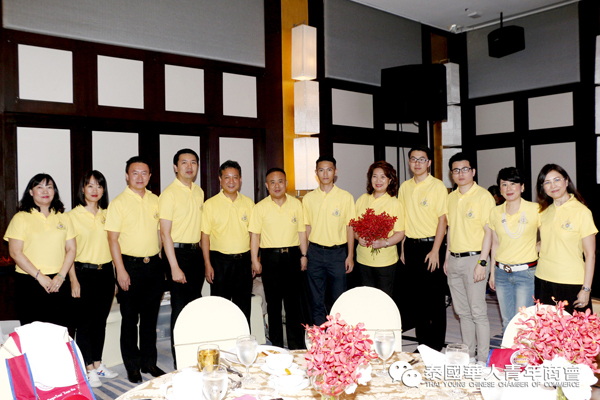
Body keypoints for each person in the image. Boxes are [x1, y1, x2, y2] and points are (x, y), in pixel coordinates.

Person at [105, 156, 165, 383]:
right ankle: (132, 366)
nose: (140, 177)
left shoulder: (156, 200)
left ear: (150, 176)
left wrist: (160, 256)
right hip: (129, 266)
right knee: (130, 319)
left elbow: (160, 232)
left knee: (150, 319)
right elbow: (112, 240)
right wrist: (120, 271)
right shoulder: (118, 203)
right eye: (135, 173)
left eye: (144, 173)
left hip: (154, 266)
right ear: (127, 176)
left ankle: (149, 362)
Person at [4, 173, 76, 328]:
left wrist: (61, 276)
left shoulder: (64, 217)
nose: (45, 191)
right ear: (31, 192)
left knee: (59, 332)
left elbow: (71, 249)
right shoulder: (21, 218)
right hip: (30, 282)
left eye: (49, 187)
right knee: (33, 334)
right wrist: (40, 277)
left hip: (58, 282)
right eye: (40, 187)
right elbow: (15, 252)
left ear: (54, 191)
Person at [67, 170, 118, 387]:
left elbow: (113, 246)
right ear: (82, 189)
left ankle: (98, 364)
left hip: (105, 273)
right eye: (90, 185)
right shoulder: (71, 216)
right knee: (85, 323)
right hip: (83, 273)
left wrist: (115, 276)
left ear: (103, 190)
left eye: (99, 185)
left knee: (100, 322)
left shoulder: (108, 214)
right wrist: (73, 280)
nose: (95, 190)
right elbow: (67, 252)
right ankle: (87, 368)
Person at [249, 168, 308, 349]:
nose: (277, 185)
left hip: (292, 256)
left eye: (280, 181)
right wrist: (254, 259)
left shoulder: (297, 204)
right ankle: (276, 347)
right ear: (267, 185)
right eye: (272, 182)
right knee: (273, 305)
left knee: (293, 304)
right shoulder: (260, 207)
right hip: (270, 258)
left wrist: (304, 255)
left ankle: (296, 347)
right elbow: (255, 236)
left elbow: (302, 232)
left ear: (286, 183)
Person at [444, 153, 494, 363]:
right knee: (462, 312)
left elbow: (489, 232)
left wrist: (483, 262)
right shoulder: (451, 197)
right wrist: (447, 257)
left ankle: (482, 360)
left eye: (465, 169)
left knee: (478, 312)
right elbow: (450, 229)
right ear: (452, 174)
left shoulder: (483, 196)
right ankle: (469, 355)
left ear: (473, 171)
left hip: (475, 259)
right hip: (454, 260)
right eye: (456, 170)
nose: (461, 174)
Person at [396, 145, 448, 351]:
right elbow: (402, 219)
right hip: (411, 246)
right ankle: (423, 345)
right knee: (416, 300)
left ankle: (436, 346)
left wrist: (435, 250)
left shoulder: (437, 186)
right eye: (413, 159)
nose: (417, 163)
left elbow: (442, 220)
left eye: (421, 159)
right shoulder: (404, 187)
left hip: (431, 246)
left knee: (435, 299)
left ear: (429, 163)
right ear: (409, 162)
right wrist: (402, 248)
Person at [159, 149, 204, 369]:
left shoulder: (199, 192)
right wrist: (174, 266)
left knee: (195, 306)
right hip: (177, 254)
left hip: (196, 253)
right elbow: (165, 234)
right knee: (179, 307)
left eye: (193, 162)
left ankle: (195, 352)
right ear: (175, 167)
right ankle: (180, 359)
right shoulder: (169, 194)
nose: (189, 166)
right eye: (184, 162)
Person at [535, 164, 597, 315]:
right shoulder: (543, 212)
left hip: (571, 282)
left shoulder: (582, 212)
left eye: (557, 180)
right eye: (547, 182)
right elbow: (544, 244)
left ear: (566, 181)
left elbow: (590, 254)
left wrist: (586, 289)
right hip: (543, 280)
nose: (553, 186)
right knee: (546, 328)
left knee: (575, 328)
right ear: (543, 187)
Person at [302, 155, 355, 326]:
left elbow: (350, 227)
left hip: (337, 254)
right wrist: (305, 254)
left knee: (338, 298)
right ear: (316, 172)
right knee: (316, 299)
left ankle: (337, 336)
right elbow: (307, 228)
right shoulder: (308, 198)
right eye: (321, 170)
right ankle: (320, 336)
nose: (325, 174)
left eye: (329, 169)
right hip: (315, 253)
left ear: (335, 171)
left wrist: (350, 255)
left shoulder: (345, 197)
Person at [201, 160, 254, 323]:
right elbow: (205, 237)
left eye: (235, 177)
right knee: (220, 306)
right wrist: (207, 264)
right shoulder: (210, 204)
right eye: (227, 177)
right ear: (220, 179)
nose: (231, 181)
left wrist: (254, 260)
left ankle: (243, 337)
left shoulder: (249, 203)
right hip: (220, 263)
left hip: (243, 262)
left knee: (243, 306)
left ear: (240, 179)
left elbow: (254, 235)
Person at [488, 167, 540, 332]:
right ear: (500, 189)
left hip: (525, 274)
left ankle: (523, 350)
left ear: (522, 187)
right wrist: (492, 273)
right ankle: (508, 350)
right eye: (504, 184)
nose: (509, 188)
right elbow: (495, 243)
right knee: (507, 322)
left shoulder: (535, 209)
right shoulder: (495, 212)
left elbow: (548, 238)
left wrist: (534, 248)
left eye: (513, 184)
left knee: (522, 324)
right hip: (501, 273)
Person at [354, 161, 405, 297]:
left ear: (390, 180)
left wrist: (385, 242)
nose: (378, 180)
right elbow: (354, 228)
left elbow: (400, 233)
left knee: (383, 299)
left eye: (383, 177)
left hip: (385, 261)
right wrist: (358, 237)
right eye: (375, 176)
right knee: (366, 298)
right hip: (363, 259)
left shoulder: (395, 203)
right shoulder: (362, 199)